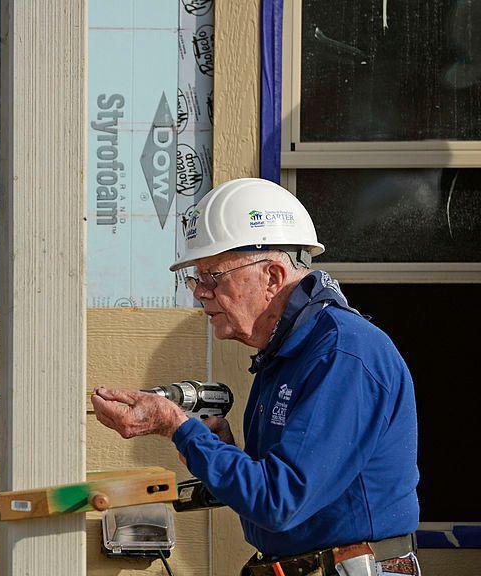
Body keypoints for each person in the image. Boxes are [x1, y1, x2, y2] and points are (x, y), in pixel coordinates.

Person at [90, 178, 420, 576]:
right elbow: (273, 489)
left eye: (213, 276)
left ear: (273, 276)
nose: (199, 292)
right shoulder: (290, 350)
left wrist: (176, 425)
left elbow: (280, 501)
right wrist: (219, 451)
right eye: (195, 278)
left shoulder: (343, 354)